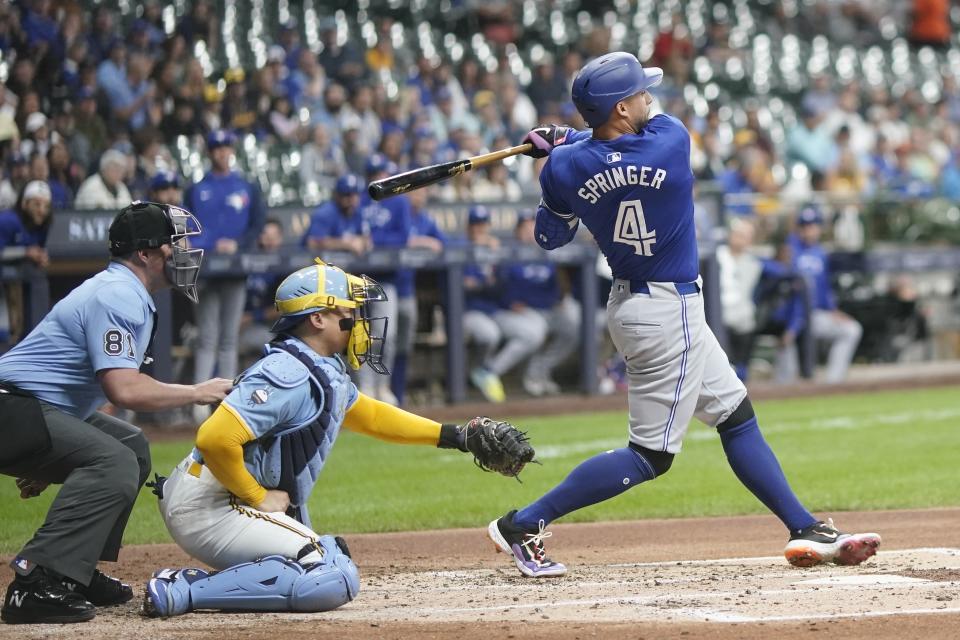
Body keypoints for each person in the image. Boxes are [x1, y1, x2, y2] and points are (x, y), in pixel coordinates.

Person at [486, 52, 881, 577]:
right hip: (665, 312)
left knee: (735, 414)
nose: (651, 100)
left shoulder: (563, 169)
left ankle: (803, 526)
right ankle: (523, 521)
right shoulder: (671, 141)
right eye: (640, 94)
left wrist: (559, 154)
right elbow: (624, 143)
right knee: (650, 456)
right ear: (621, 108)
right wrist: (566, 137)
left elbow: (549, 236)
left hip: (638, 304)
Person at [142, 260, 529, 617]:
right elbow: (213, 438)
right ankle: (183, 589)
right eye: (347, 312)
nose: (358, 320)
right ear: (317, 320)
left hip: (219, 501)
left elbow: (371, 416)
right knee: (332, 574)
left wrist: (455, 436)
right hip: (211, 506)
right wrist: (258, 498)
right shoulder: (288, 372)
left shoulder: (319, 367)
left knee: (323, 556)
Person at [0, 201, 233, 624]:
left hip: (26, 408)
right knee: (115, 461)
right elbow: (123, 389)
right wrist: (198, 391)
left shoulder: (125, 290)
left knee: (130, 443)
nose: (180, 251)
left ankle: (74, 569)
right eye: (172, 243)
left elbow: (96, 391)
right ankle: (36, 581)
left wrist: (52, 450)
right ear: (145, 253)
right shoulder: (118, 293)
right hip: (9, 406)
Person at [185, 130, 266, 422]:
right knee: (207, 337)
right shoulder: (196, 188)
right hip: (205, 269)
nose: (222, 152)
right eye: (216, 147)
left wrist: (240, 245)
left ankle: (229, 401)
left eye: (225, 146)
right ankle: (198, 403)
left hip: (236, 268)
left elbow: (257, 225)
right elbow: (186, 228)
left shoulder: (247, 186)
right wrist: (209, 244)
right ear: (209, 152)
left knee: (229, 337)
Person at [486, 209, 581, 398]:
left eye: (533, 226)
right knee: (536, 330)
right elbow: (508, 291)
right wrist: (534, 301)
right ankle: (496, 373)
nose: (530, 230)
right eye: (525, 226)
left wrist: (557, 300)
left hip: (547, 308)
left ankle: (539, 370)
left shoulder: (546, 251)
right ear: (518, 231)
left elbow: (555, 287)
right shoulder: (509, 254)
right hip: (523, 311)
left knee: (573, 324)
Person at [788, 206, 862, 383]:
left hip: (817, 315)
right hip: (793, 317)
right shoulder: (790, 248)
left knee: (851, 329)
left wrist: (833, 310)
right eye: (805, 226)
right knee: (787, 377)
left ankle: (832, 383)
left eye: (813, 225)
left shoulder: (820, 253)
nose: (809, 229)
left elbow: (824, 289)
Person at [391, 185, 446, 404]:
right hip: (384, 284)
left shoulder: (424, 219)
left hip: (407, 287)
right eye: (415, 192)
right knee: (384, 342)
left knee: (404, 342)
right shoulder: (394, 214)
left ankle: (398, 392)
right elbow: (390, 240)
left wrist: (430, 243)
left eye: (422, 192)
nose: (419, 196)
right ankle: (380, 393)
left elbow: (442, 243)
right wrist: (422, 242)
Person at [463, 205, 505, 403]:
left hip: (494, 310)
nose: (480, 229)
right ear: (469, 227)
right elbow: (466, 286)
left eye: (483, 224)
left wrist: (495, 260)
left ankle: (486, 371)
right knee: (490, 334)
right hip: (468, 311)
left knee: (532, 330)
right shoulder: (460, 248)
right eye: (475, 225)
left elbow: (502, 284)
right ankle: (482, 371)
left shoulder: (494, 248)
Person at [716, 218, 762, 381]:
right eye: (739, 234)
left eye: (746, 235)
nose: (741, 238)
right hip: (719, 318)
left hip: (743, 320)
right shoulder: (717, 256)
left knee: (748, 321)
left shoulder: (754, 263)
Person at [302, 173, 368, 254]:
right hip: (319, 263)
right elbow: (312, 243)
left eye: (355, 194)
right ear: (337, 195)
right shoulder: (325, 213)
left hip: (347, 264)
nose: (352, 199)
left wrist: (361, 241)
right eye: (347, 195)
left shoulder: (358, 212)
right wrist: (345, 244)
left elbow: (367, 239)